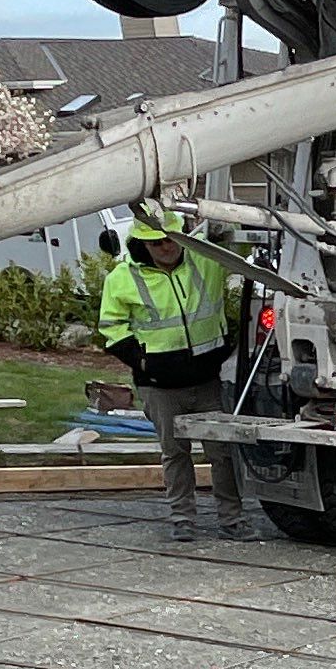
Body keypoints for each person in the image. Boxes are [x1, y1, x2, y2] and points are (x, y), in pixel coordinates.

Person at [97, 204, 244, 533]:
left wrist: (225, 229)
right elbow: (111, 329)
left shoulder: (204, 260)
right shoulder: (122, 278)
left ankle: (233, 520)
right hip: (159, 385)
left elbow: (241, 252)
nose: (166, 247)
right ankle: (183, 521)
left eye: (171, 239)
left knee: (222, 453)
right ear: (142, 243)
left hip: (207, 378)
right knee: (175, 454)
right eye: (157, 242)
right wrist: (144, 362)